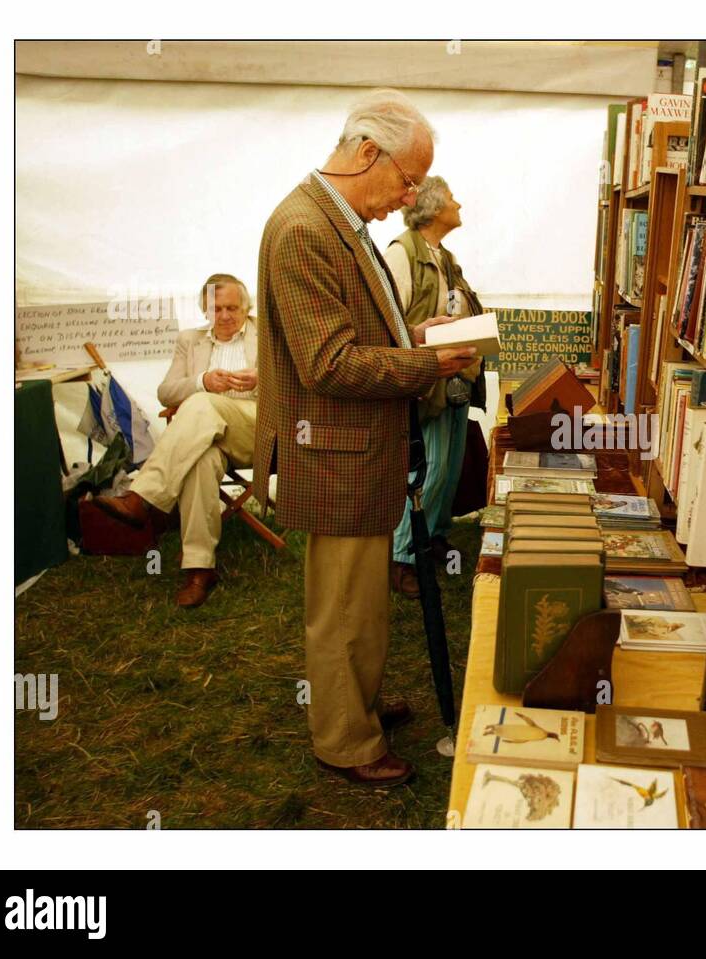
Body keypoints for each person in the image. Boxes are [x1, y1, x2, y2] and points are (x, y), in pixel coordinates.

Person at [252, 88, 475, 786]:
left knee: (363, 599)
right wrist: (425, 361)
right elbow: (329, 362)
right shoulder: (304, 229)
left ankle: (360, 705)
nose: (409, 198)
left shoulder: (334, 222)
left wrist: (416, 336)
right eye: (407, 179)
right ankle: (345, 739)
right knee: (344, 607)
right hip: (337, 451)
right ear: (366, 152)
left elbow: (356, 332)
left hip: (355, 449)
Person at [94, 274, 258, 608]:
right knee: (200, 460)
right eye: (216, 308)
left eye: (232, 307)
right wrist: (202, 379)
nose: (225, 315)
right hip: (206, 433)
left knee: (200, 403)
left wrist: (260, 378)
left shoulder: (267, 333)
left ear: (245, 307)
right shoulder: (189, 340)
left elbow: (300, 380)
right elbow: (165, 392)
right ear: (205, 309)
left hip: (255, 426)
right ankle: (199, 570)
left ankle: (144, 498)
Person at [383, 175, 484, 598]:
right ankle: (403, 558)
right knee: (429, 469)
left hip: (455, 376)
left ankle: (436, 535)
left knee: (451, 463)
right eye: (451, 198)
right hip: (427, 378)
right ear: (433, 207)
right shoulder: (400, 254)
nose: (458, 203)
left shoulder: (443, 256)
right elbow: (386, 326)